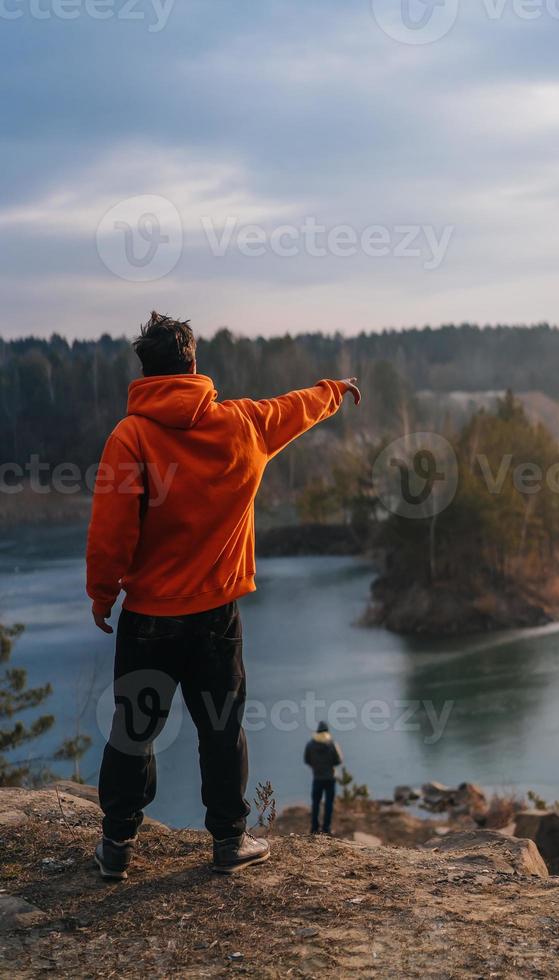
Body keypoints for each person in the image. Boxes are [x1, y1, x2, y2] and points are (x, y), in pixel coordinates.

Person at [86, 311, 360, 878]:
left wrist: (100, 593)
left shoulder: (129, 437)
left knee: (133, 730)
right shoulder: (244, 425)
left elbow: (111, 529)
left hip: (149, 619)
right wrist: (333, 391)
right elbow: (296, 406)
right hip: (215, 616)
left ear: (145, 370)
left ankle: (116, 846)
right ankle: (228, 843)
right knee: (221, 727)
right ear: (193, 364)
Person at [304, 721, 343, 835]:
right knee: (329, 804)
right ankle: (327, 828)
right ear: (327, 731)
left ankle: (314, 827)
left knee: (315, 803)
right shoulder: (332, 744)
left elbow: (307, 760)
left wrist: (315, 766)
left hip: (317, 778)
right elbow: (338, 760)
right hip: (330, 778)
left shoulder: (310, 745)